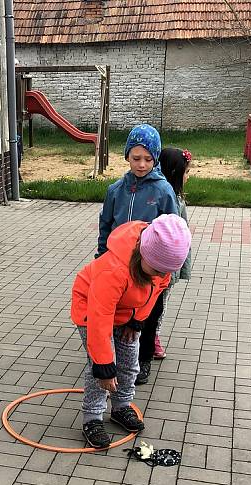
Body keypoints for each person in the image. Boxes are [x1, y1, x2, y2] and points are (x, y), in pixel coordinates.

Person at [71, 214, 192, 449]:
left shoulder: (160, 268)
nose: (159, 275)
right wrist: (104, 365)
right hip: (91, 308)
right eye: (156, 269)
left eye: (165, 271)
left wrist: (137, 320)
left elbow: (156, 291)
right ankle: (92, 418)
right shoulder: (114, 269)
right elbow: (100, 318)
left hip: (127, 311)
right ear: (143, 253)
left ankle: (121, 406)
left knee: (130, 362)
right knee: (103, 369)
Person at [96, 124, 178, 256]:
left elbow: (174, 232)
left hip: (148, 264)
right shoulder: (115, 190)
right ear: (127, 156)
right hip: (116, 260)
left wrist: (169, 271)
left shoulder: (164, 191)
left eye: (148, 159)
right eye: (136, 158)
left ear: (155, 160)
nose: (141, 165)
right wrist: (101, 257)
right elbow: (105, 226)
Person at [152, 147, 193, 359]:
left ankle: (154, 336)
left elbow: (183, 235)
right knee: (149, 303)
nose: (188, 176)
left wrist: (182, 265)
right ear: (175, 173)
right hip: (153, 263)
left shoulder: (179, 201)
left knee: (161, 302)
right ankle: (143, 336)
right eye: (186, 172)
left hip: (168, 267)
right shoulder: (159, 197)